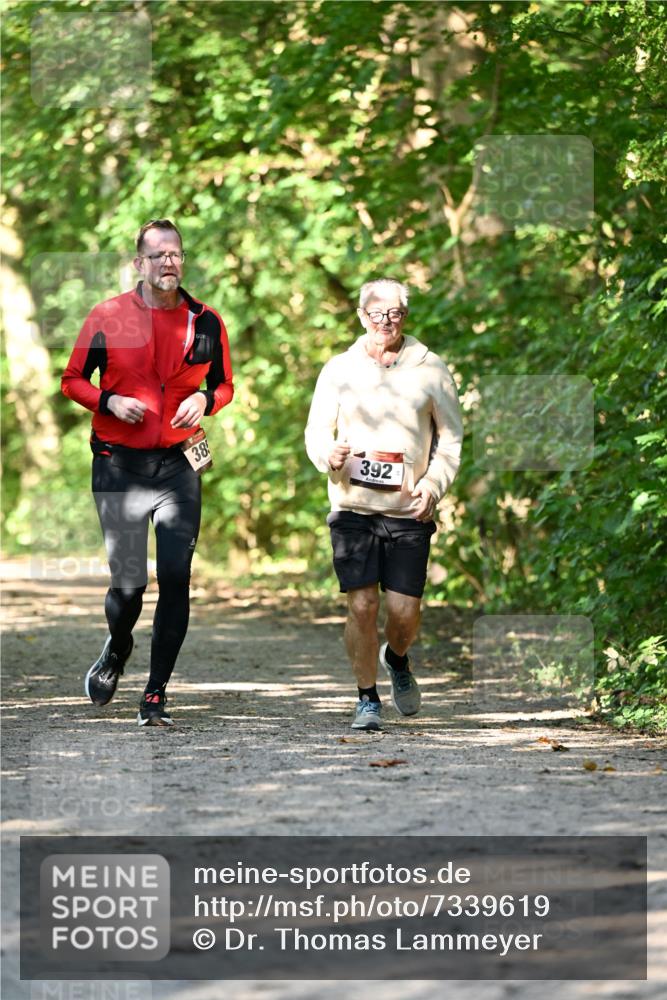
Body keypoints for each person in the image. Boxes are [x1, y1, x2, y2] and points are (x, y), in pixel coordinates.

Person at [62, 219, 233, 727]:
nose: (168, 262)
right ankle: (117, 648)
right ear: (139, 263)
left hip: (179, 464)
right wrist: (110, 400)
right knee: (130, 584)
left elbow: (225, 386)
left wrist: (205, 401)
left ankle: (155, 695)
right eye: (157, 255)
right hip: (118, 464)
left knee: (176, 578)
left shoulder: (206, 322)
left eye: (175, 253)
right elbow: (72, 381)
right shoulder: (108, 315)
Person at [305, 278, 462, 731]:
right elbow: (317, 431)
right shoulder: (338, 369)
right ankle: (366, 698)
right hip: (352, 507)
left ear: (404, 316)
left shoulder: (431, 369)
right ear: (360, 315)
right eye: (376, 313)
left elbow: (451, 440)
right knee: (361, 605)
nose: (384, 321)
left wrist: (433, 484)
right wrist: (326, 454)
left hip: (408, 510)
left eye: (393, 313)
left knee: (403, 613)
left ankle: (396, 657)